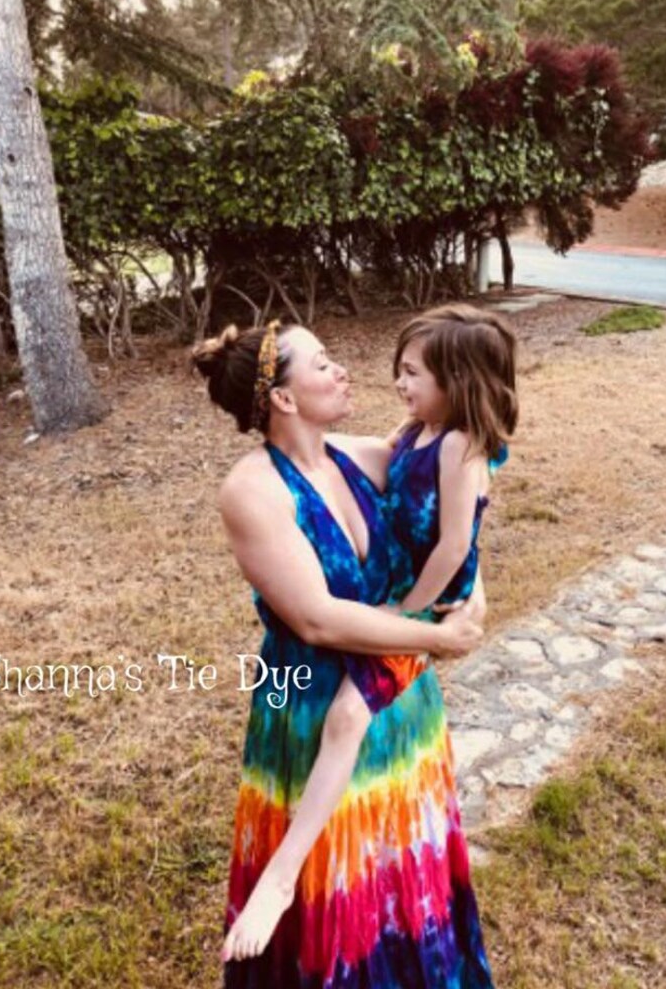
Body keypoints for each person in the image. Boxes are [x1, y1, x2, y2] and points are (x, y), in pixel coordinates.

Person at [192, 319, 495, 989]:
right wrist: (440, 637)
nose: (343, 370)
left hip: (399, 695)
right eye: (322, 363)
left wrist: (473, 588)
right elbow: (317, 619)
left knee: (398, 864)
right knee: (333, 881)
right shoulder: (254, 489)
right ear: (284, 398)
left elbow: (454, 518)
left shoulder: (363, 454)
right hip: (311, 701)